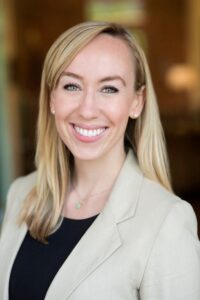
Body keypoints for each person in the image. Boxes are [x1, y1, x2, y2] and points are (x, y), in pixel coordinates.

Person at [0, 21, 200, 300]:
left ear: (136, 102)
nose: (87, 109)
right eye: (72, 86)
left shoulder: (167, 222)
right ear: (52, 99)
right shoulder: (21, 194)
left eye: (109, 89)